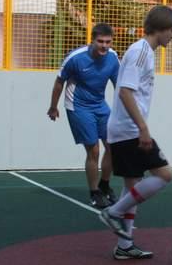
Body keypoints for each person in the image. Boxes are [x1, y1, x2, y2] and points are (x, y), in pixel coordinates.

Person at [99, 5, 172, 260]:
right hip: (129, 129)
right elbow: (125, 91)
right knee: (164, 174)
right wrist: (143, 128)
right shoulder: (141, 52)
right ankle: (112, 212)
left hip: (125, 128)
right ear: (160, 28)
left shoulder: (145, 52)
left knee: (132, 185)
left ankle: (124, 245)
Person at [48, 23, 119, 209]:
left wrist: (123, 112)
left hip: (100, 105)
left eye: (108, 42)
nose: (104, 46)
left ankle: (104, 185)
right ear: (92, 40)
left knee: (113, 146)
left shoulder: (113, 58)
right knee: (94, 150)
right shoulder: (76, 58)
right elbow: (59, 82)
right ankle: (94, 193)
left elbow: (119, 86)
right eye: (100, 41)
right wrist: (53, 107)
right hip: (78, 106)